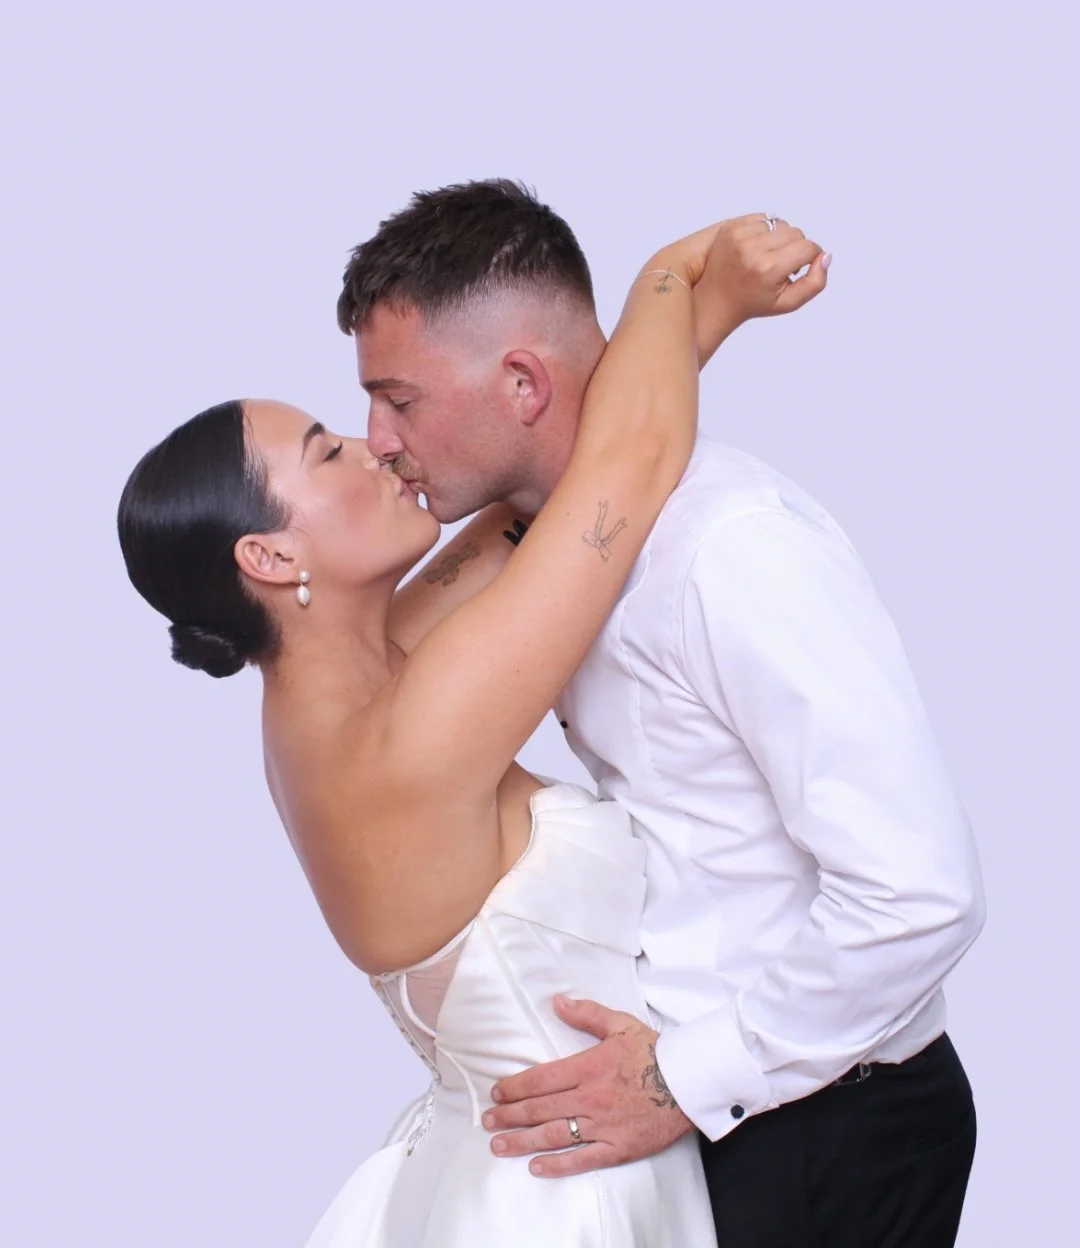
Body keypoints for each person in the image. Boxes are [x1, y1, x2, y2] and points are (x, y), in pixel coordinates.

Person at [117, 216, 827, 1246]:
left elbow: (540, 500)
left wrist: (696, 325)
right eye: (327, 451)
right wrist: (678, 273)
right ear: (270, 558)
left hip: (518, 1163)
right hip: (563, 1192)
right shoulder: (408, 737)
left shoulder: (340, 680)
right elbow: (624, 468)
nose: (376, 446)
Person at [340, 180, 986, 1247]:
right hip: (705, 1127)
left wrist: (688, 1078)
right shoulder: (550, 559)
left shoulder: (731, 550)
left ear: (521, 381)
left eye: (398, 399)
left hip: (822, 1127)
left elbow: (921, 892)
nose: (376, 438)